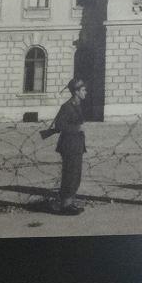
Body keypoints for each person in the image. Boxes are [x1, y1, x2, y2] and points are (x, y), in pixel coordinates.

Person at [52, 78, 87, 215]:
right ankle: (65, 206)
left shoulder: (77, 104)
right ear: (76, 92)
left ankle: (70, 202)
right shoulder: (67, 106)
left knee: (75, 175)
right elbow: (59, 125)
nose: (85, 92)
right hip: (69, 145)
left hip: (77, 145)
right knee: (70, 175)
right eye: (83, 90)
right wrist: (77, 128)